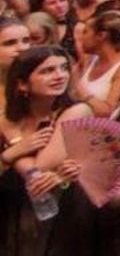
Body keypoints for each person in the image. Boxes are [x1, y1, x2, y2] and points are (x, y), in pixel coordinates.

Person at [0, 46, 91, 201]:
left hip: (59, 206)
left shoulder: (77, 112)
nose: (60, 76)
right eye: (47, 71)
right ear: (22, 84)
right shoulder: (7, 118)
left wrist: (13, 148)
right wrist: (12, 153)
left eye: (64, 68)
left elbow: (38, 172)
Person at [75, 8, 120, 116]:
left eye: (85, 32)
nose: (81, 38)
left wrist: (77, 88)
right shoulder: (90, 59)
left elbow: (107, 111)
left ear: (101, 36)